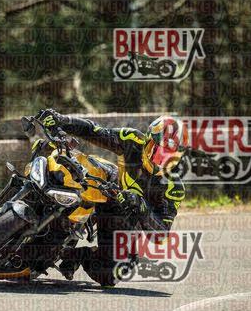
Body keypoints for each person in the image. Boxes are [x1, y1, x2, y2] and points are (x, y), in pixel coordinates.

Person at [37, 109, 188, 286]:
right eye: (157, 151)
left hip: (124, 214)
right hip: (108, 182)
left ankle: (75, 254)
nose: (159, 160)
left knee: (112, 275)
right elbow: (94, 131)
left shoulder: (173, 188)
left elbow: (161, 235)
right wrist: (62, 120)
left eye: (169, 156)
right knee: (72, 163)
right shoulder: (132, 140)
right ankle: (36, 193)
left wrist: (142, 207)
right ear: (148, 140)